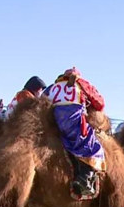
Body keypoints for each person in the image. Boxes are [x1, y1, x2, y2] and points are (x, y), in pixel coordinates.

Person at [44, 67, 106, 197]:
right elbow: (100, 103)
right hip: (74, 126)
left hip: (53, 126)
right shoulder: (81, 84)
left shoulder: (52, 87)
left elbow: (39, 101)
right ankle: (85, 180)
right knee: (93, 147)